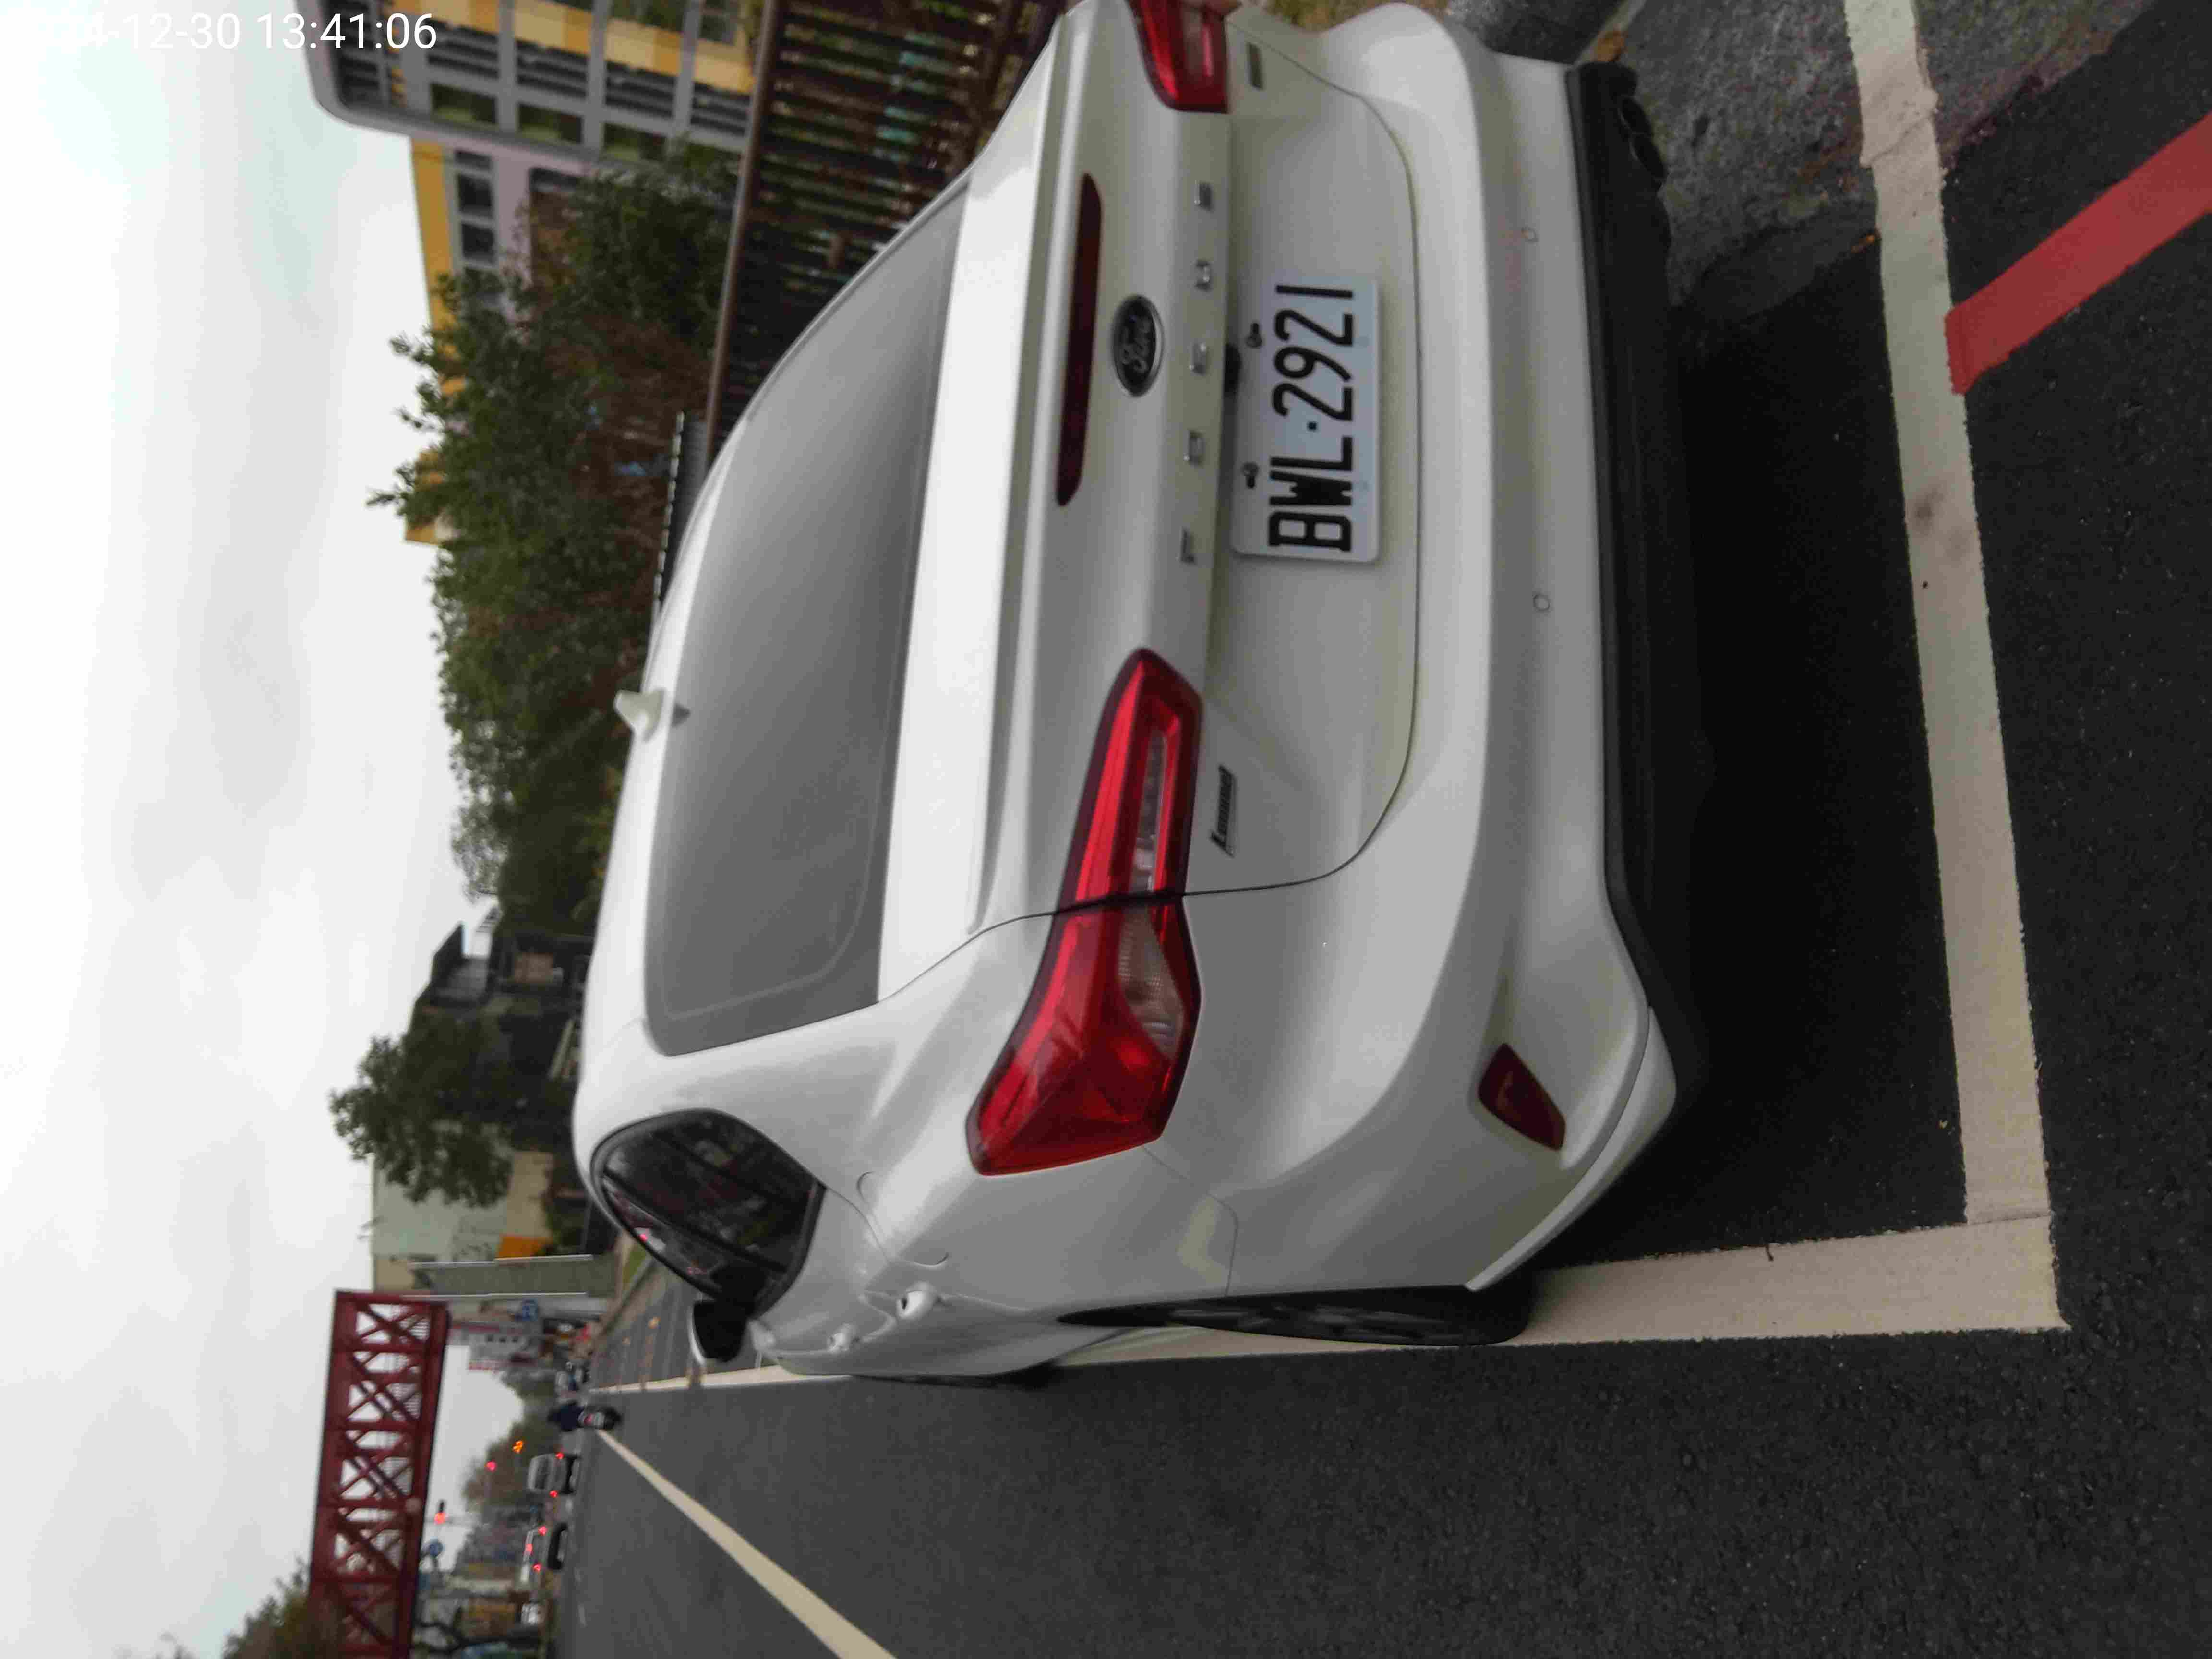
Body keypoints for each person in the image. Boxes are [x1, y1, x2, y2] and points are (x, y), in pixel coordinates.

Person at [546, 1398, 621, 1433]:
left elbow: (570, 1430)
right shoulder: (563, 1408)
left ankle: (609, 1423)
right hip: (583, 1411)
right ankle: (613, 1415)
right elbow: (574, 1402)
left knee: (594, 1426)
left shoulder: (561, 1426)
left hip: (582, 1423)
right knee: (598, 1408)